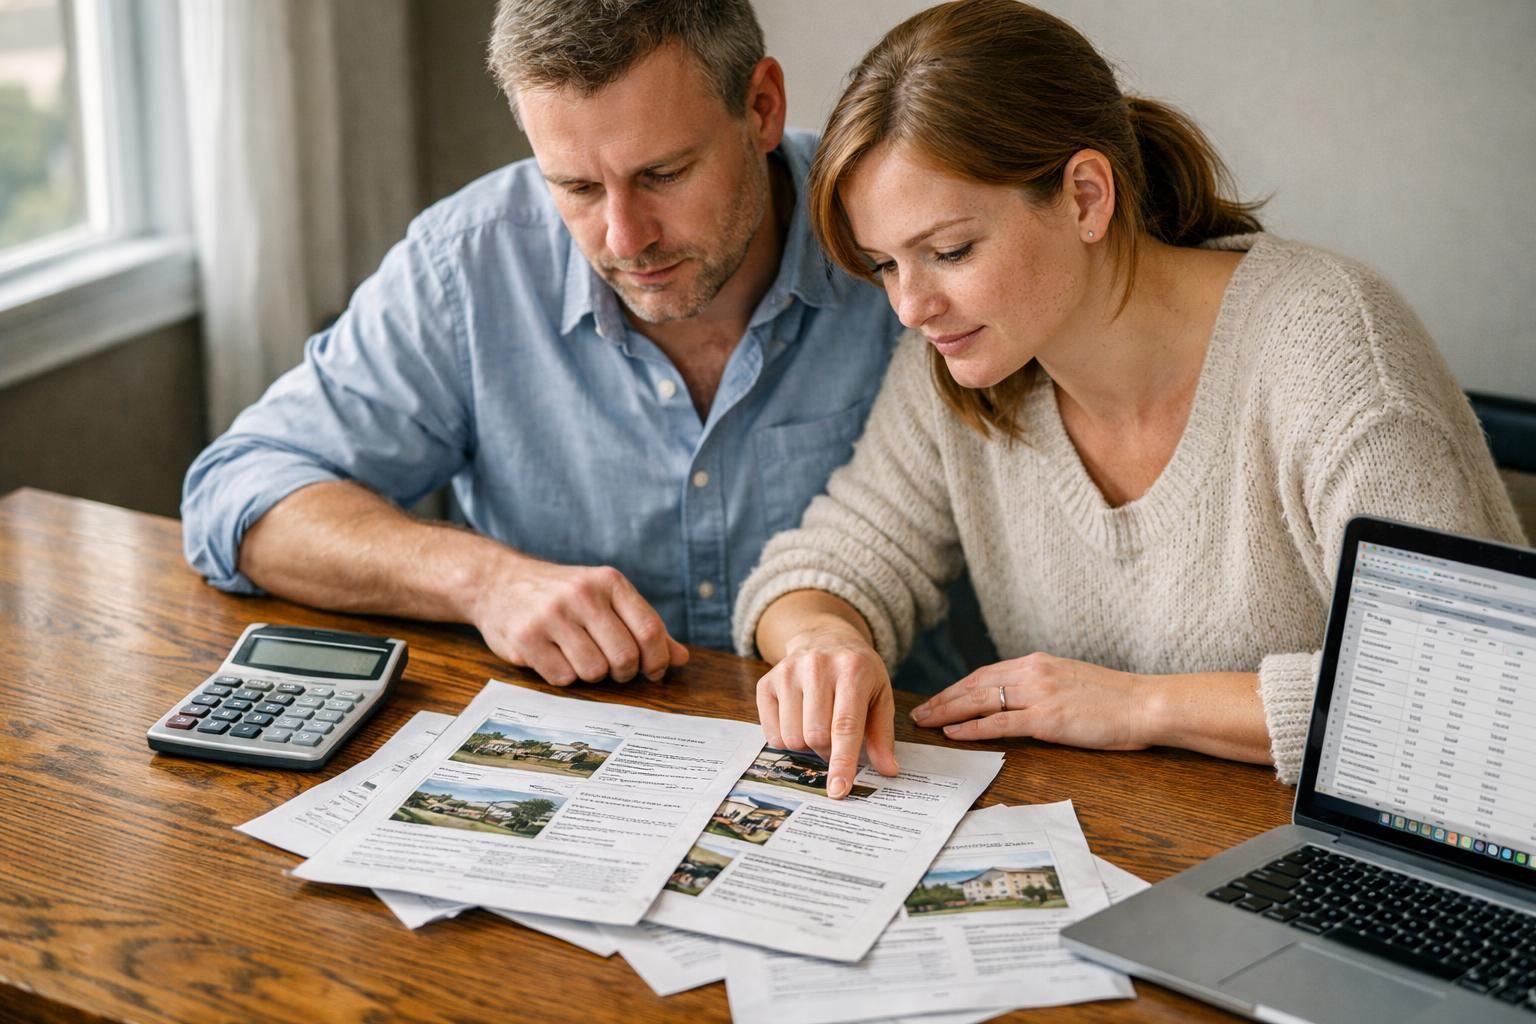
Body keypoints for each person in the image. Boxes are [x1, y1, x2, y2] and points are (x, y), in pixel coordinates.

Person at [735, 0, 1527, 799]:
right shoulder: (959, 359)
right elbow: (832, 561)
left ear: (1085, 196)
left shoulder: (1333, 348)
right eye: (886, 266)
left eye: (949, 251)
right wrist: (821, 643)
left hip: (1358, 861)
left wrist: (1140, 704)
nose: (911, 306)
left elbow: (1477, 693)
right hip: (1137, 848)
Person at [180, 0, 978, 689]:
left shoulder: (899, 245)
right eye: (576, 187)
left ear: (761, 107)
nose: (625, 237)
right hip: (576, 765)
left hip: (888, 760)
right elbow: (236, 493)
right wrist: (483, 581)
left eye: (664, 173)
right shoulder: (468, 266)